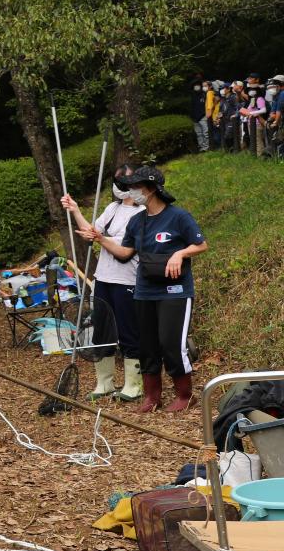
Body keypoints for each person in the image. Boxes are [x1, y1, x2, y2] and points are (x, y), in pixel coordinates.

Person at [93, 165, 207, 412]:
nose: (132, 192)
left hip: (175, 292)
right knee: (147, 344)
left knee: (171, 342)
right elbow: (125, 252)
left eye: (136, 187)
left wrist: (179, 253)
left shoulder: (178, 217)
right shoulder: (137, 221)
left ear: (152, 189)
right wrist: (99, 238)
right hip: (144, 290)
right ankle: (152, 397)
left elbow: (200, 245)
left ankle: (185, 395)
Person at [60, 168, 145, 399]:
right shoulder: (112, 208)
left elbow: (123, 252)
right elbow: (92, 232)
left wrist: (99, 238)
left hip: (126, 280)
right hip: (103, 279)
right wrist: (75, 209)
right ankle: (105, 383)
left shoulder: (143, 213)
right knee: (102, 331)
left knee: (128, 331)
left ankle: (134, 385)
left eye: (123, 178)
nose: (118, 184)